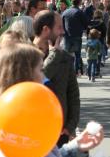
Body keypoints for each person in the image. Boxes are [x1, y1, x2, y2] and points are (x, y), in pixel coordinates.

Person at [33, 10, 79, 148]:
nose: (63, 31)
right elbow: (38, 82)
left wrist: (70, 126)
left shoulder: (65, 58)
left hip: (60, 132)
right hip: (34, 130)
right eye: (59, 27)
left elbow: (73, 95)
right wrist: (54, 55)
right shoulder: (25, 55)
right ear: (46, 30)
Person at [62, 0, 87, 76]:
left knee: (66, 55)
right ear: (79, 3)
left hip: (66, 36)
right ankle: (75, 72)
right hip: (77, 35)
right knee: (77, 55)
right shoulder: (79, 12)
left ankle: (65, 71)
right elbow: (85, 23)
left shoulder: (65, 12)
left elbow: (62, 23)